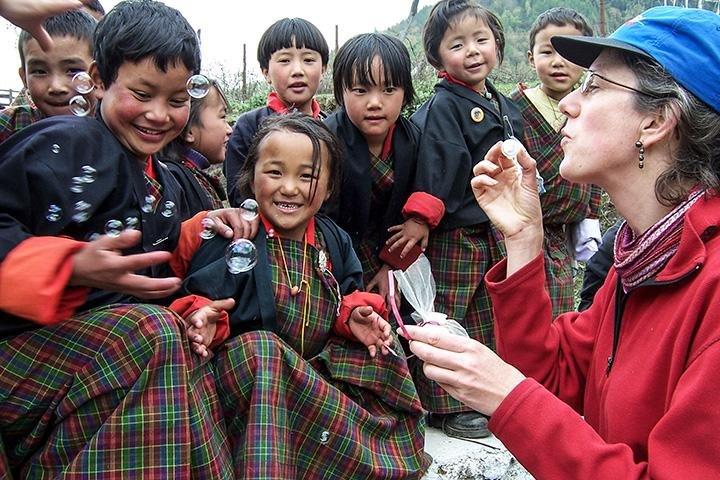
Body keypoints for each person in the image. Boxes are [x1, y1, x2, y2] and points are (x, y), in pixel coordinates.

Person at [404, 6, 720, 478]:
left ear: (655, 122)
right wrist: (525, 239)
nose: (569, 102)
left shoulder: (707, 284)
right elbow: (554, 379)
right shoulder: (642, 259)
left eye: (592, 87)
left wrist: (503, 393)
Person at [0, 1, 234, 477]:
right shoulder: (65, 142)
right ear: (100, 80)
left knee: (195, 347)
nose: (157, 114)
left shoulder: (165, 183)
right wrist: (65, 264)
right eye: (142, 93)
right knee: (154, 334)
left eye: (175, 100)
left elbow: (151, 285)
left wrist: (194, 312)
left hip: (91, 359)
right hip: (19, 356)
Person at [171, 114, 431, 478]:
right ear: (251, 177)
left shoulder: (333, 238)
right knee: (261, 349)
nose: (289, 188)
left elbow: (347, 294)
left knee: (384, 348)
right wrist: (203, 318)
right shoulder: (235, 236)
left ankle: (378, 454)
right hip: (251, 381)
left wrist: (354, 317)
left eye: (306, 176)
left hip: (313, 370)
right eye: (275, 173)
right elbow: (200, 298)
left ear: (327, 189)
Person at [408, 0, 523, 438]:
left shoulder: (500, 102)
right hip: (454, 231)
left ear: (497, 44)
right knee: (445, 312)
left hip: (490, 226)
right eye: (457, 44)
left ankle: (480, 394)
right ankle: (440, 405)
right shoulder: (444, 106)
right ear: (438, 57)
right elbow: (439, 165)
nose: (472, 51)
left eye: (481, 39)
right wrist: (421, 218)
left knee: (484, 312)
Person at [324, 33, 444, 301]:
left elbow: (425, 197)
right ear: (341, 91)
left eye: (389, 89)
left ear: (405, 92)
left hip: (390, 258)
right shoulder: (325, 141)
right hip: (334, 258)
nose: (375, 102)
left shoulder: (413, 139)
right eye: (360, 90)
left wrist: (392, 267)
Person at [510, 7, 602, 316]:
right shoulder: (513, 108)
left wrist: (590, 217)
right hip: (517, 236)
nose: (558, 62)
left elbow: (596, 171)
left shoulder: (591, 111)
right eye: (548, 51)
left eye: (568, 52)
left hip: (561, 240)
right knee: (520, 311)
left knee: (558, 316)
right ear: (530, 57)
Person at [224, 17, 329, 207]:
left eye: (308, 60)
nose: (297, 70)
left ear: (323, 69)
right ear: (265, 72)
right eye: (285, 60)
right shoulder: (249, 126)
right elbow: (238, 193)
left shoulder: (331, 127)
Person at [0, 9, 96, 143]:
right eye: (40, 72)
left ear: (98, 75)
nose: (56, 86)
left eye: (73, 70)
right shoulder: (11, 125)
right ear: (24, 78)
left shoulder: (114, 130)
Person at [161, 78, 232, 218]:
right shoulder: (174, 181)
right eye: (222, 116)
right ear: (188, 131)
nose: (230, 129)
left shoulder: (195, 175)